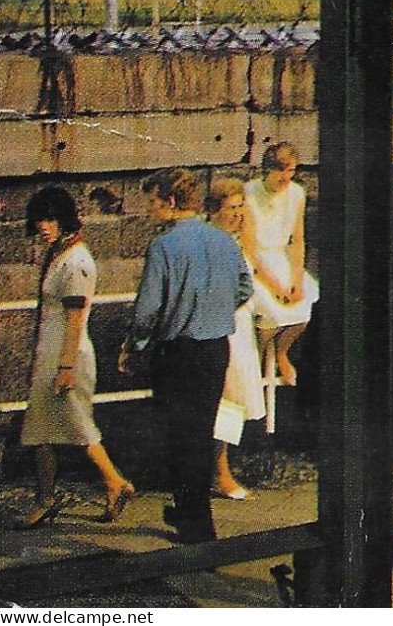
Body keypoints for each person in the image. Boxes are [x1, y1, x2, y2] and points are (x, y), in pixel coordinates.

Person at [119, 168, 250, 544]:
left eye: (154, 202)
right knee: (201, 433)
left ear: (171, 202)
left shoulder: (164, 247)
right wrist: (217, 308)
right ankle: (191, 514)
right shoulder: (225, 241)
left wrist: (135, 345)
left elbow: (147, 311)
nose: (150, 209)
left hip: (178, 352)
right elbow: (244, 287)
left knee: (180, 437)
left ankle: (195, 522)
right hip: (214, 349)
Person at [14, 186, 134, 529]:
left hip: (68, 356)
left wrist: (65, 367)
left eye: (50, 218)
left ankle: (115, 482)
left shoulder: (76, 261)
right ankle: (46, 497)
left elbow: (75, 319)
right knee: (40, 429)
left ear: (65, 218)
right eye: (39, 219)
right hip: (50, 353)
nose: (43, 226)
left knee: (78, 427)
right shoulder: (59, 253)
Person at [207, 177, 264, 501]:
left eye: (241, 206)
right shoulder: (212, 239)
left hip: (240, 325)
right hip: (219, 324)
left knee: (235, 398)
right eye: (232, 207)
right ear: (215, 209)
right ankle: (221, 473)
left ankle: (221, 469)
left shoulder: (237, 238)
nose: (238, 213)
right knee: (224, 398)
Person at [244, 142, 318, 386]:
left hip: (282, 259)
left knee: (309, 305)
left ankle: (282, 352)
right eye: (282, 172)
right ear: (268, 170)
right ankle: (260, 357)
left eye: (291, 171)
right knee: (273, 313)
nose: (287, 178)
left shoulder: (297, 193)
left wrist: (296, 279)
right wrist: (276, 287)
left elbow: (298, 240)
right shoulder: (249, 193)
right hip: (255, 262)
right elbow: (249, 249)